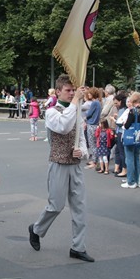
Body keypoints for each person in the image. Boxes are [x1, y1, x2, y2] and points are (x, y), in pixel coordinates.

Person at [28, 75, 93, 262]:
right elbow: (63, 126)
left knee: (80, 207)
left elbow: (80, 137)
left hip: (75, 166)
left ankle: (78, 247)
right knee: (56, 205)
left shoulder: (77, 111)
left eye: (73, 90)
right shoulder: (51, 112)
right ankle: (37, 229)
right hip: (58, 164)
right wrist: (75, 102)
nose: (72, 93)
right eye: (68, 90)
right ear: (58, 92)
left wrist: (82, 151)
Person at [121, 91, 140, 189]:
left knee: (129, 159)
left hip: (130, 136)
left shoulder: (132, 111)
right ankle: (139, 180)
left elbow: (127, 125)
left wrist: (123, 123)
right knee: (137, 158)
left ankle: (130, 181)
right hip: (139, 136)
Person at [82, 87, 102, 170]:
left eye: (90, 93)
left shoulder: (94, 103)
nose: (88, 94)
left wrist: (84, 115)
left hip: (92, 124)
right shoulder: (98, 102)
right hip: (95, 124)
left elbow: (89, 113)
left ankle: (94, 161)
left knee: (92, 144)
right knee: (94, 143)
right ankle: (95, 160)